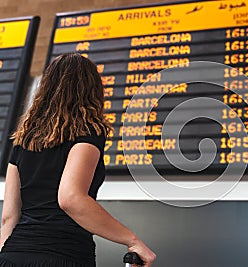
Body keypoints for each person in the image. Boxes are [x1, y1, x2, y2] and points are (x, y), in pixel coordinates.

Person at [0, 53, 156, 266]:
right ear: (92, 91)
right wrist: (132, 240)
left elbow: (8, 217)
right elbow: (71, 199)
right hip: (63, 254)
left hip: (13, 255)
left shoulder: (23, 139)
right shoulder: (88, 132)